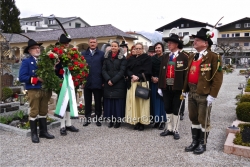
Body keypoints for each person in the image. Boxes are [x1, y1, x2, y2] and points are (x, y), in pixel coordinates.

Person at [183, 28, 223, 154]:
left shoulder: (214, 57)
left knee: (203, 119)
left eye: (197, 40)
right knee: (193, 117)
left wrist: (213, 95)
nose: (194, 42)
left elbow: (218, 78)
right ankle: (194, 142)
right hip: (192, 91)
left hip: (204, 93)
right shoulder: (192, 56)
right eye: (194, 40)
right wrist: (185, 89)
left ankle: (203, 143)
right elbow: (187, 74)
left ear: (205, 43)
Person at [19, 38, 55, 143]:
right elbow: (22, 77)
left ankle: (43, 132)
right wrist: (36, 79)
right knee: (34, 111)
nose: (37, 50)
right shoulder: (26, 62)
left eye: (38, 48)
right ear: (29, 51)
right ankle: (34, 134)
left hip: (45, 89)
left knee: (43, 111)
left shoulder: (45, 60)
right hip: (34, 89)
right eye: (34, 48)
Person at [158, 34, 188, 140]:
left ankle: (175, 129)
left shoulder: (184, 57)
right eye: (168, 43)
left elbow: (186, 74)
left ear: (176, 44)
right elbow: (161, 72)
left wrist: (186, 89)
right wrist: (160, 86)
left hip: (178, 87)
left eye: (170, 43)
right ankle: (169, 128)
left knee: (176, 109)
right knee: (167, 108)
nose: (168, 44)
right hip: (166, 87)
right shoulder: (166, 56)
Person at [55, 34, 79, 136]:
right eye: (65, 43)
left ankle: (68, 124)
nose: (67, 45)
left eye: (67, 43)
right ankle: (62, 126)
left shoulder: (71, 53)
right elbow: (55, 68)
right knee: (62, 103)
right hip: (61, 80)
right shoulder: (56, 53)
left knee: (69, 102)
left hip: (70, 80)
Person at [125, 43, 152, 131]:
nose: (138, 50)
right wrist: (132, 76)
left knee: (142, 103)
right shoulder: (131, 59)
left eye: (140, 48)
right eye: (136, 48)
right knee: (134, 103)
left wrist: (138, 77)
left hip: (141, 83)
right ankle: (135, 121)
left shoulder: (147, 58)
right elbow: (127, 69)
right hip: (133, 83)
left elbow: (148, 71)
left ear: (143, 49)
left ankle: (142, 123)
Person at [102, 41, 127, 128]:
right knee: (109, 102)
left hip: (118, 83)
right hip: (108, 83)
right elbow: (103, 70)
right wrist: (108, 79)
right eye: (112, 46)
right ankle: (111, 120)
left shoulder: (122, 58)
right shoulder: (106, 57)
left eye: (115, 46)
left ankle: (118, 120)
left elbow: (122, 71)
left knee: (117, 103)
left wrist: (113, 80)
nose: (113, 48)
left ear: (118, 47)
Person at [81, 37, 104, 127]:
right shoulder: (83, 54)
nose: (92, 44)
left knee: (98, 102)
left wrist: (103, 81)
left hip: (98, 81)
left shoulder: (101, 54)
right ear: (88, 43)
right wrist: (82, 80)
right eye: (91, 42)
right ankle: (87, 118)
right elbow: (81, 68)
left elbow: (103, 68)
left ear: (97, 43)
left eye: (94, 42)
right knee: (87, 101)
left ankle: (98, 118)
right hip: (87, 81)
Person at [150, 42, 166, 130]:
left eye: (159, 48)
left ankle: (162, 121)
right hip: (153, 82)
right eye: (156, 48)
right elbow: (149, 69)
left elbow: (167, 71)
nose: (157, 49)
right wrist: (152, 77)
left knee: (161, 102)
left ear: (162, 48)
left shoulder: (166, 58)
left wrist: (160, 79)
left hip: (162, 82)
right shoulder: (152, 58)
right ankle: (156, 120)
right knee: (154, 101)